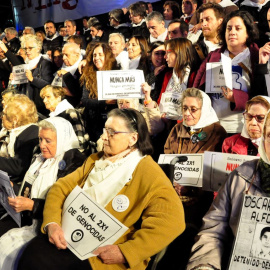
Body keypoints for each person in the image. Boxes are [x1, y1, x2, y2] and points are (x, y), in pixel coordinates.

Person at [17, 108, 185, 270]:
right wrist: (53, 223)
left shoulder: (148, 172)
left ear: (133, 139)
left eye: (112, 132)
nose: (103, 137)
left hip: (102, 254)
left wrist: (126, 251)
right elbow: (60, 188)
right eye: (105, 130)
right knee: (32, 254)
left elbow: (173, 222)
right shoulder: (94, 159)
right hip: (69, 233)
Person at [186, 109, 270, 270]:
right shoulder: (241, 176)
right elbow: (213, 230)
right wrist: (204, 265)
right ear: (264, 139)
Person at [0, 117, 86, 270]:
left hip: (50, 227)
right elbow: (30, 189)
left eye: (48, 141)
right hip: (26, 217)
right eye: (40, 139)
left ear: (63, 139)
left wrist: (33, 205)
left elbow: (71, 208)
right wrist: (13, 187)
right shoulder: (40, 159)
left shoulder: (76, 164)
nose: (42, 145)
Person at [164, 87, 227, 269]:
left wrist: (192, 189)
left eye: (193, 109)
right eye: (184, 108)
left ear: (204, 109)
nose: (187, 113)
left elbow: (215, 171)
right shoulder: (176, 129)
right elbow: (167, 159)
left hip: (203, 200)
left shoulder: (217, 132)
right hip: (174, 195)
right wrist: (173, 183)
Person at [194, 10, 260, 134]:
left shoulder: (256, 56)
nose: (232, 32)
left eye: (238, 28)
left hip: (243, 126)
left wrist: (237, 97)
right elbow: (197, 86)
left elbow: (261, 93)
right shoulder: (213, 56)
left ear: (248, 33)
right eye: (229, 28)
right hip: (213, 125)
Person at [80, 42, 118, 142]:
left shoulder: (117, 72)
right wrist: (104, 102)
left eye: (100, 55)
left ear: (108, 56)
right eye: (94, 55)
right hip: (93, 123)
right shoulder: (88, 75)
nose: (96, 58)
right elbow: (84, 100)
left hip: (113, 122)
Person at [158, 38, 199, 120]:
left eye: (168, 52)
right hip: (166, 121)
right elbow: (160, 101)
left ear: (180, 53)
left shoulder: (195, 75)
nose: (165, 57)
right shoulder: (168, 75)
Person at [40, 85, 89, 152]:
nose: (44, 100)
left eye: (48, 97)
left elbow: (81, 141)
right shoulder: (52, 116)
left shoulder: (70, 113)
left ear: (59, 98)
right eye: (43, 98)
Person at [19, 34, 54, 116]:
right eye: (25, 48)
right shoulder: (25, 64)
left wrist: (33, 79)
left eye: (30, 48)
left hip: (41, 108)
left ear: (38, 48)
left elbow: (48, 84)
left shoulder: (45, 63)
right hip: (27, 107)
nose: (27, 51)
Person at [53, 42, 83, 107]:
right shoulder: (63, 67)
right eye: (63, 55)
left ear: (77, 56)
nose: (63, 58)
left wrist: (67, 75)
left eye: (67, 55)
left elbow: (79, 93)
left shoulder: (83, 68)